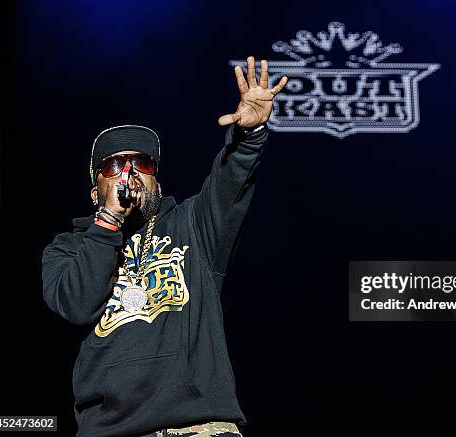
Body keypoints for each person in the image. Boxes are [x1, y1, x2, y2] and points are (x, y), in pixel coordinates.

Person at [41, 56, 287, 437]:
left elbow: (231, 182)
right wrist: (108, 222)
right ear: (95, 192)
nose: (130, 173)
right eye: (114, 166)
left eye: (142, 164)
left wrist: (249, 137)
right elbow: (75, 306)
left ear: (157, 179)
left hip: (201, 427)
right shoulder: (66, 250)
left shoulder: (194, 225)